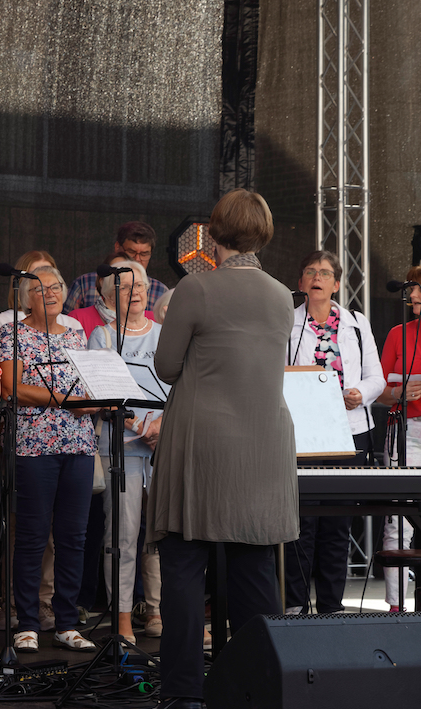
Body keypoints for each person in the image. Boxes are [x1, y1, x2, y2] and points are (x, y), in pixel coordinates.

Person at [147, 189, 296, 709]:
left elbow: (166, 366)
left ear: (212, 234)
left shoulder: (197, 287)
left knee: (185, 570)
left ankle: (184, 693)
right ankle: (260, 688)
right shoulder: (282, 295)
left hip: (202, 444)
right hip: (264, 447)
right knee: (255, 572)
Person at [0, 266, 98, 654]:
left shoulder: (76, 334)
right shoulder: (13, 333)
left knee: (73, 538)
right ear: (26, 297)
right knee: (32, 536)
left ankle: (66, 623)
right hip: (34, 446)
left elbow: (86, 386)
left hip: (79, 445)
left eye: (56, 286)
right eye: (41, 289)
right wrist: (67, 400)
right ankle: (27, 622)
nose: (51, 293)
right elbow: (12, 388)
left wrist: (91, 401)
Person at [284, 250, 384, 615]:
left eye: (325, 273)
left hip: (349, 431)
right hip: (303, 435)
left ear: (337, 283)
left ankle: (331, 605)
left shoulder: (356, 322)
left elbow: (377, 377)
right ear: (301, 282)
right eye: (310, 271)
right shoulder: (287, 322)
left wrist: (361, 394)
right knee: (302, 521)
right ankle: (295, 603)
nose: (317, 277)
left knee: (338, 523)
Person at [86, 258, 169, 644]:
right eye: (122, 287)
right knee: (123, 535)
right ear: (106, 297)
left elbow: (183, 388)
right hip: (121, 448)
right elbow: (102, 392)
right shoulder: (102, 337)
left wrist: (161, 426)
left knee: (167, 534)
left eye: (138, 285)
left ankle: (158, 610)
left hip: (166, 447)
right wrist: (140, 426)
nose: (133, 292)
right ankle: (121, 617)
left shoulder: (166, 335)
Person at [379, 262, 421, 610]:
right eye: (411, 287)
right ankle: (396, 606)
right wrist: (398, 393)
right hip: (405, 428)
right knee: (398, 520)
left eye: (420, 288)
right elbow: (378, 390)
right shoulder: (398, 334)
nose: (412, 294)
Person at [64, 222, 169, 314]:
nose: (137, 259)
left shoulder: (161, 291)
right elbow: (64, 324)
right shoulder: (84, 284)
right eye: (131, 252)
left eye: (144, 254)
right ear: (117, 247)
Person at [0, 250, 82, 344]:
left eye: (55, 286)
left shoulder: (73, 328)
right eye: (35, 275)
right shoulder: (5, 326)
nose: (50, 293)